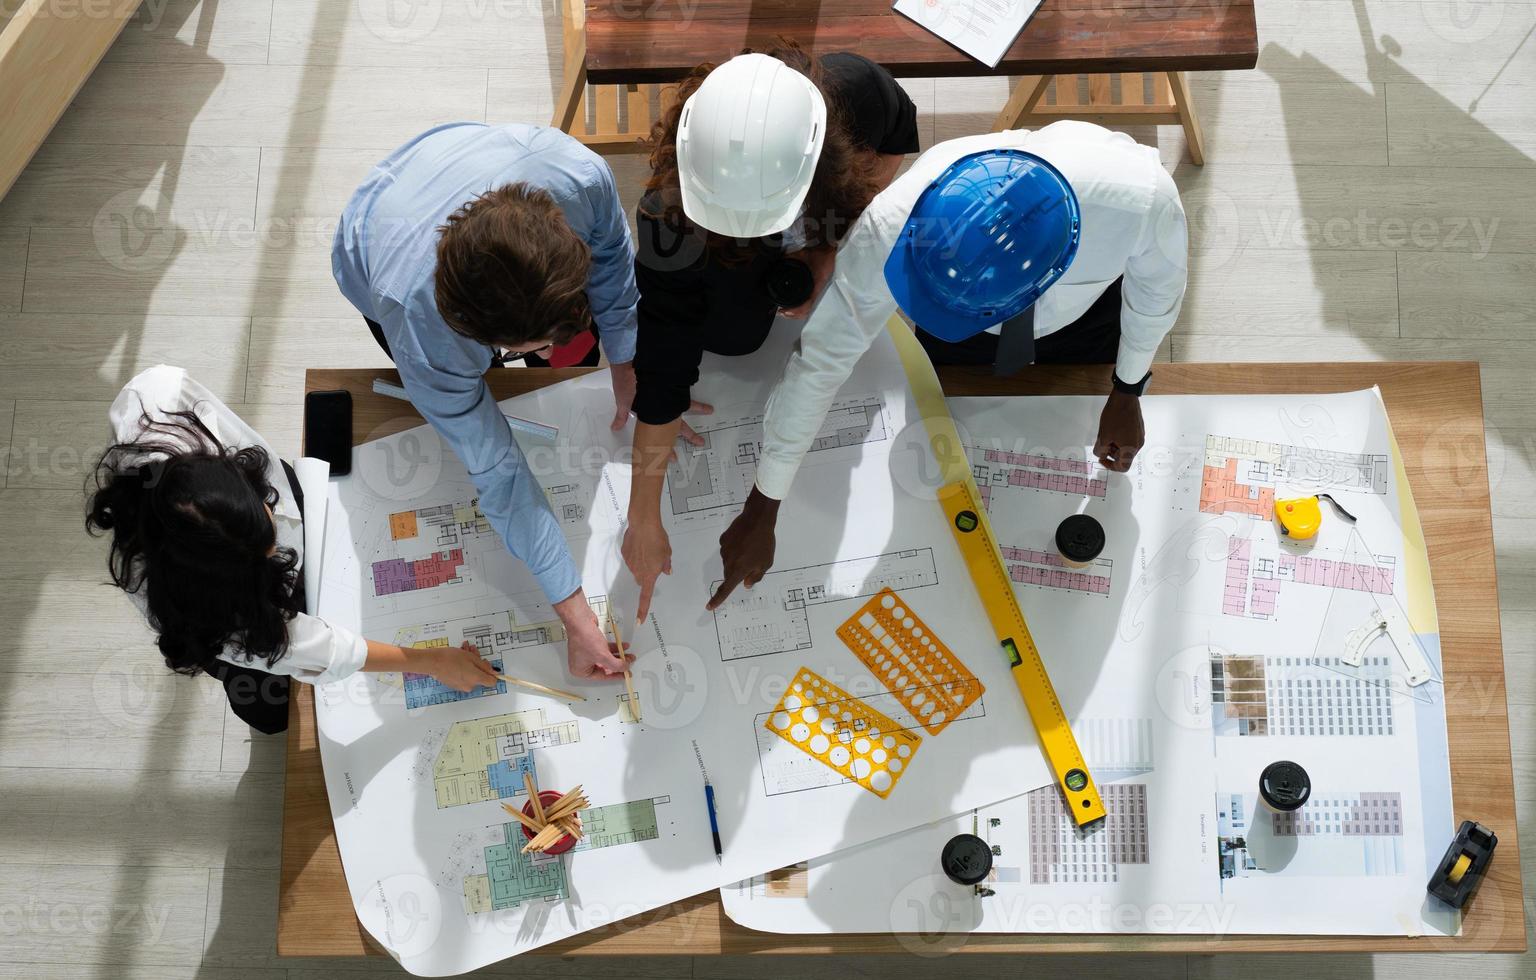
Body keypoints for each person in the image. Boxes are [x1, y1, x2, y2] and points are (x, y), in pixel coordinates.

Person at [698, 120, 1189, 609]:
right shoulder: (889, 229)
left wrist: (1127, 388)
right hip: (963, 340)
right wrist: (764, 503)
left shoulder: (1140, 201)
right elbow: (821, 360)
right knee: (944, 455)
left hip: (1086, 321)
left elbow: (1154, 295)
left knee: (1061, 432)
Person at [623, 45, 920, 620]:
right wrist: (643, 517)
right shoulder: (669, 217)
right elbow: (664, 361)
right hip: (717, 248)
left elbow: (895, 145)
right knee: (733, 338)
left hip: (820, 232)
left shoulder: (854, 89)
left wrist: (827, 249)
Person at [332, 123, 636, 680]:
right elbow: (500, 471)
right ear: (477, 334)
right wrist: (572, 611)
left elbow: (614, 255)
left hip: (454, 161)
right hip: (378, 233)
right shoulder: (424, 329)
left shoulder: (581, 175)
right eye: (536, 347)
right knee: (475, 419)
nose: (552, 352)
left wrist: (624, 356)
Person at [86, 365, 500, 735]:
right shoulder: (213, 615)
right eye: (264, 554)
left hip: (246, 516)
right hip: (224, 616)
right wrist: (431, 661)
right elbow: (317, 646)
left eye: (260, 511)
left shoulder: (159, 400)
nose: (276, 539)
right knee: (267, 705)